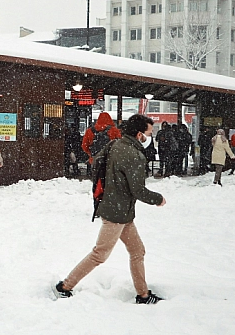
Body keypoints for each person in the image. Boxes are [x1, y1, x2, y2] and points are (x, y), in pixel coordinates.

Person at [54, 114, 166, 304]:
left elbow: (98, 163)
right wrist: (158, 199)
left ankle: (143, 294)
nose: (150, 136)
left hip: (119, 209)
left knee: (138, 251)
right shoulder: (134, 155)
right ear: (139, 134)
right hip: (117, 213)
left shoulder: (116, 145)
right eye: (149, 132)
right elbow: (137, 189)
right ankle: (65, 286)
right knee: (100, 254)